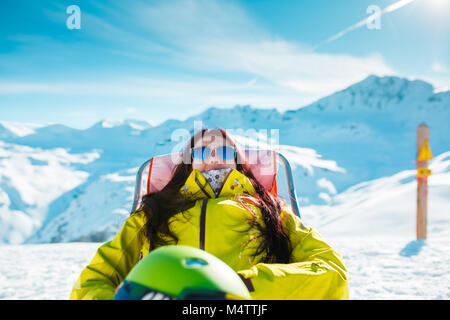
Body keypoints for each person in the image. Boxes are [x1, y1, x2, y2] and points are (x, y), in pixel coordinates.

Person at [70, 128, 349, 300]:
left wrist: (239, 288)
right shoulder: (154, 212)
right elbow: (94, 279)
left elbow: (330, 272)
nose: (214, 156)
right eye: (202, 149)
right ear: (188, 162)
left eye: (224, 149)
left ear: (238, 162)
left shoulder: (272, 211)